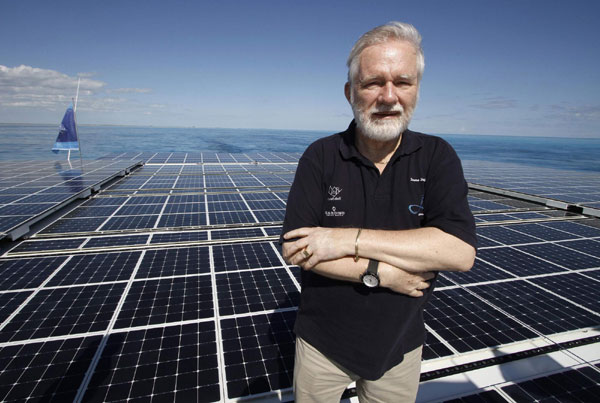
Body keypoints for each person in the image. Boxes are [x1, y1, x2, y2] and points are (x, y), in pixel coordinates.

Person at [280, 22, 477, 402]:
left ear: (416, 90)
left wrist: (343, 238)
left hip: (400, 348)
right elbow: (296, 248)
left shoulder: (437, 156)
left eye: (402, 82)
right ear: (349, 92)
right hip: (321, 345)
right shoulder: (321, 156)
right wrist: (380, 274)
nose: (389, 96)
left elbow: (459, 252)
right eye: (373, 83)